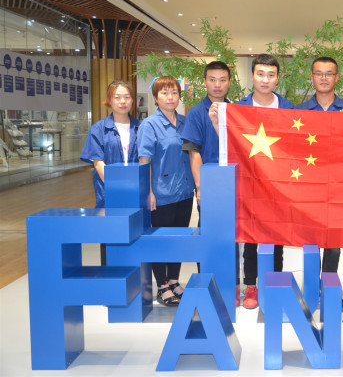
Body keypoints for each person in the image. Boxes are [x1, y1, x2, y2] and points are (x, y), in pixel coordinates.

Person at [212, 54, 294, 309]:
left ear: (277, 78)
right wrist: (217, 123)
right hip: (248, 184)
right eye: (260, 74)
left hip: (280, 185)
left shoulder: (289, 108)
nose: (265, 80)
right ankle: (251, 286)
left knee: (277, 237)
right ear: (252, 76)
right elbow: (230, 144)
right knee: (250, 237)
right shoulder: (239, 109)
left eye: (270, 75)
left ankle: (274, 283)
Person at [180, 60, 240, 305]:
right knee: (208, 235)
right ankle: (206, 283)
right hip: (210, 187)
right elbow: (194, 152)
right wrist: (200, 187)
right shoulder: (196, 113)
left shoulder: (236, 111)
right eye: (212, 80)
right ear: (205, 82)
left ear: (229, 82)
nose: (217, 85)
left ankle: (231, 284)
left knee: (232, 235)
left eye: (222, 80)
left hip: (234, 184)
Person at [138, 76, 195, 306]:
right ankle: (162, 285)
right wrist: (148, 192)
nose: (170, 97)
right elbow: (144, 160)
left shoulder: (185, 122)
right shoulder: (149, 125)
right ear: (155, 98)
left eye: (174, 92)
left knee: (179, 239)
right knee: (161, 241)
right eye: (164, 93)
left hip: (184, 192)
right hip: (161, 194)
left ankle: (174, 280)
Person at [296, 56, 343, 274]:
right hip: (309, 185)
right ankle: (312, 284)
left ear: (337, 77)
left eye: (329, 74)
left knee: (333, 241)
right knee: (310, 239)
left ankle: (328, 283)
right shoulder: (299, 112)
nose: (324, 78)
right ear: (311, 77)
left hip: (339, 185)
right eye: (319, 74)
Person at [81, 80, 139, 265]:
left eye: (127, 97)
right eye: (117, 97)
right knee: (109, 240)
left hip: (136, 194)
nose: (122, 101)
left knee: (135, 240)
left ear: (133, 100)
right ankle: (109, 279)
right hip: (109, 194)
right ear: (109, 100)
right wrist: (118, 188)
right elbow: (98, 163)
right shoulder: (98, 129)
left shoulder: (141, 127)